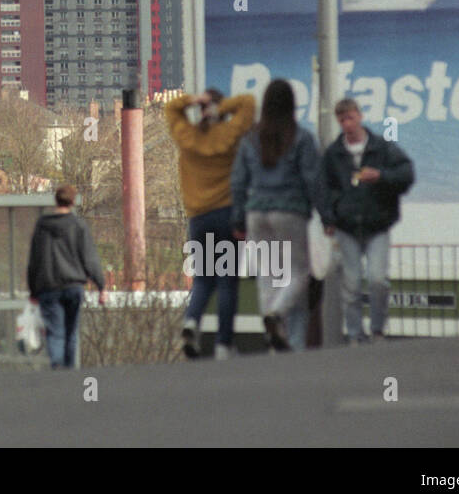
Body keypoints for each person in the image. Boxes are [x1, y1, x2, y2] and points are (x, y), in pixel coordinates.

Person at [230, 79, 324, 353]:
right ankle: (277, 316)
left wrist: (237, 220)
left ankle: (275, 340)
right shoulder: (302, 138)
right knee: (299, 274)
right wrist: (327, 216)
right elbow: (313, 180)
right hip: (289, 213)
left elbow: (237, 182)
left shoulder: (250, 139)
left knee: (268, 280)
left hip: (256, 214)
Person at [164, 87, 256, 360]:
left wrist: (193, 101)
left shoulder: (187, 136)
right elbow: (249, 103)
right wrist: (222, 107)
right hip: (227, 215)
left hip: (199, 218)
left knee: (203, 279)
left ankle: (192, 322)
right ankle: (223, 344)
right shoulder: (229, 136)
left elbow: (170, 109)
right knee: (227, 282)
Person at [321, 98, 415, 344]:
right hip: (346, 227)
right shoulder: (333, 153)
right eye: (342, 120)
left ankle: (377, 330)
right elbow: (324, 189)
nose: (347, 124)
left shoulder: (382, 147)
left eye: (350, 118)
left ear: (360, 117)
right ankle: (354, 334)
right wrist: (329, 216)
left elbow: (406, 173)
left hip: (377, 224)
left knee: (377, 280)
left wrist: (381, 176)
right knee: (350, 286)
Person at [26, 184, 106, 370]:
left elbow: (34, 259)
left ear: (56, 200)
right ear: (72, 201)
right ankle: (70, 374)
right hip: (73, 286)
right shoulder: (78, 225)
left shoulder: (42, 225)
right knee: (71, 333)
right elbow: (89, 258)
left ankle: (57, 370)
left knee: (55, 332)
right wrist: (101, 285)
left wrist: (33, 290)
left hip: (48, 287)